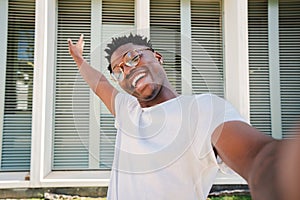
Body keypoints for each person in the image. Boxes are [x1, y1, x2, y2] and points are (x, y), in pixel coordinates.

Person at [68, 34, 300, 200]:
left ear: (157, 57)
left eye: (132, 58)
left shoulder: (203, 109)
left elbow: (259, 158)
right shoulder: (127, 110)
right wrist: (78, 58)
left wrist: (283, 171)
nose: (127, 70)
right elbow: (98, 83)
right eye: (118, 71)